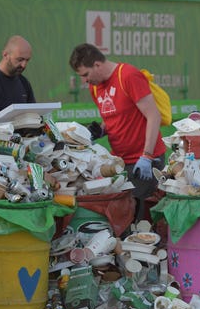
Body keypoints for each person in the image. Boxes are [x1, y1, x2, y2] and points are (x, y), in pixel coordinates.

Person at [69, 43, 166, 221]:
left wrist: (147, 156)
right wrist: (100, 130)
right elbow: (114, 117)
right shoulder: (95, 86)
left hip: (143, 163)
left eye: (85, 75)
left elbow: (154, 116)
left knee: (138, 221)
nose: (84, 81)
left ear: (97, 65)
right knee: (119, 217)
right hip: (119, 163)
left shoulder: (128, 76)